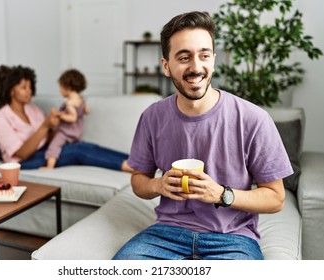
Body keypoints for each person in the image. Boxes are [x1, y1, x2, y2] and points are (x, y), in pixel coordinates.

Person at [112, 11, 293, 260]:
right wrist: (158, 184)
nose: (196, 67)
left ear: (214, 60)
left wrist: (221, 194)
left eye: (204, 55)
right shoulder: (152, 116)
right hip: (166, 234)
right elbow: (138, 180)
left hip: (233, 239)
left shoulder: (254, 118)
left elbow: (276, 198)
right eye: (184, 57)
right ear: (166, 66)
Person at [0, 64, 133, 172]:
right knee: (77, 151)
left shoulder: (35, 111)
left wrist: (58, 125)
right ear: (10, 90)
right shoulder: (0, 118)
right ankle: (128, 166)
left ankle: (136, 159)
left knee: (86, 146)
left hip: (46, 152)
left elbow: (50, 140)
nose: (29, 91)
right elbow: (22, 153)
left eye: (30, 86)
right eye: (23, 87)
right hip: (23, 163)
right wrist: (45, 125)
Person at [43, 69, 91, 169]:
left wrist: (60, 115)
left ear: (67, 87)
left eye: (60, 86)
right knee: (76, 148)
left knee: (54, 146)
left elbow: (73, 118)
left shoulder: (69, 103)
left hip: (66, 132)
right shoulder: (81, 98)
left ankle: (49, 166)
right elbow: (87, 110)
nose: (60, 90)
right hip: (78, 132)